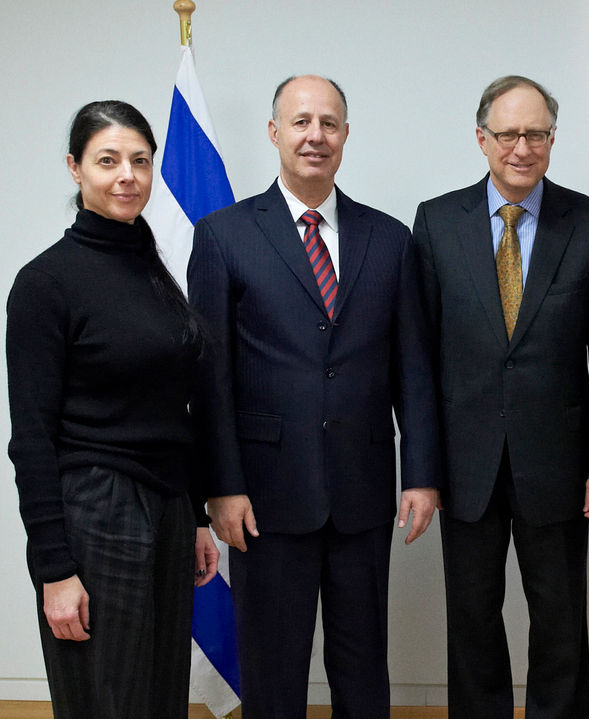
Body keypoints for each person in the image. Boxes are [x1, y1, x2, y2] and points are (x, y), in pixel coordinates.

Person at [188, 75, 440, 718]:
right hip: (263, 497)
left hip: (361, 488)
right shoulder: (224, 234)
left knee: (362, 664)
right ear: (274, 133)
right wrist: (221, 485)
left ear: (346, 136)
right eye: (300, 122)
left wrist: (421, 476)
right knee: (272, 668)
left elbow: (412, 369)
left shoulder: (389, 239)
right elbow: (209, 377)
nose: (315, 136)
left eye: (328, 123)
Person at [6, 100, 219, 717]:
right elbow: (32, 438)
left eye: (140, 161)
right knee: (108, 699)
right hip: (96, 510)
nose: (127, 175)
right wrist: (55, 570)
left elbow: (171, 407)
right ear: (75, 169)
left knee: (159, 695)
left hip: (168, 509)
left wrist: (197, 515)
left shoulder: (151, 267)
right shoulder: (45, 282)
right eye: (108, 160)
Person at [412, 75, 589, 719]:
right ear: (482, 139)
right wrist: (424, 466)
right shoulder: (436, 222)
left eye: (536, 134)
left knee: (560, 620)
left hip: (556, 460)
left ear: (553, 139)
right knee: (472, 620)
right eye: (508, 134)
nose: (521, 148)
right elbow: (419, 360)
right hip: (464, 462)